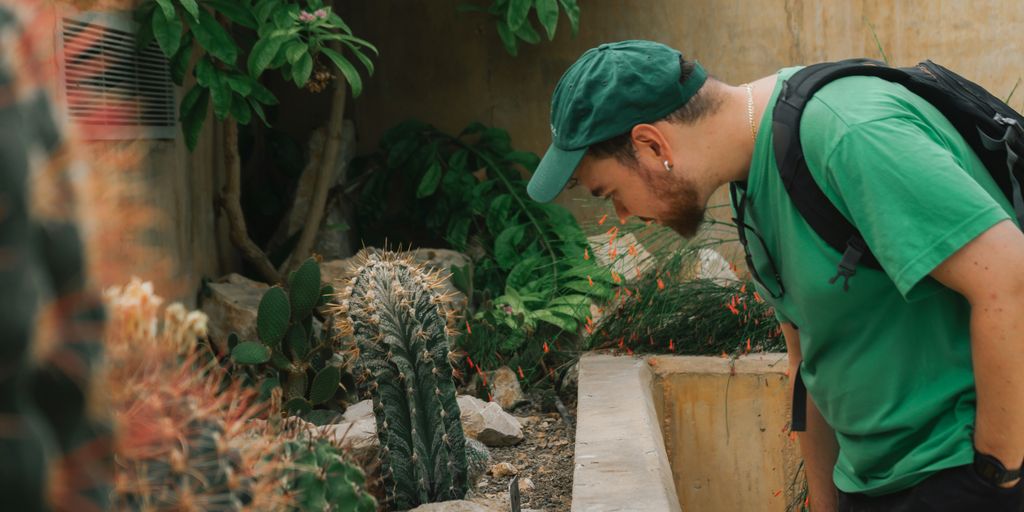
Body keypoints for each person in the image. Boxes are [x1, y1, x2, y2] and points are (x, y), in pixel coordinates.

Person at [526, 40, 1024, 511]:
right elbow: (805, 360)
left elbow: (1008, 279)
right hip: (872, 484)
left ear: (652, 145)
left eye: (608, 192)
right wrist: (825, 501)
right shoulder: (752, 178)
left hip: (961, 475)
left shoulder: (847, 131)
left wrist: (997, 477)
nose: (621, 216)